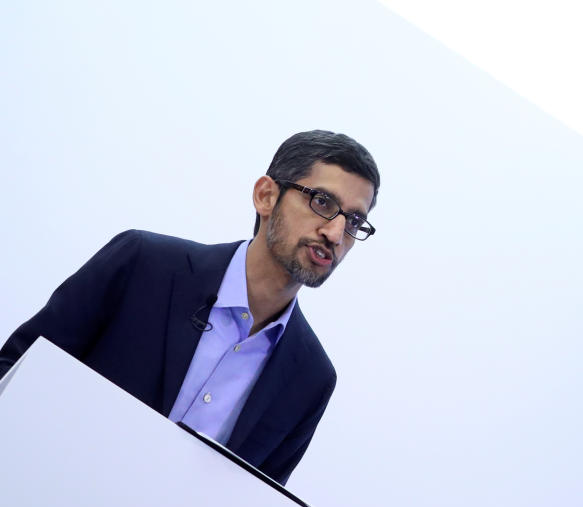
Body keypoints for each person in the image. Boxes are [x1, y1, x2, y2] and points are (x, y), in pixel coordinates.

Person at [0, 130, 380, 485]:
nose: (334, 233)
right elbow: (14, 373)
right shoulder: (142, 265)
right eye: (322, 202)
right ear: (266, 196)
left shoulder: (311, 379)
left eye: (354, 221)